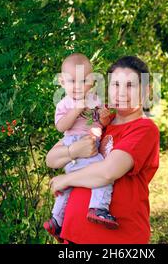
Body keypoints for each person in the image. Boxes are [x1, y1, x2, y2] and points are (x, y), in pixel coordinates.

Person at [47, 55, 160, 244]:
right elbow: (51, 159)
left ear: (146, 90)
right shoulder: (99, 118)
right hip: (74, 235)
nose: (121, 92)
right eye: (115, 84)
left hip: (118, 240)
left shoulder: (144, 129)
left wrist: (64, 180)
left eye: (130, 86)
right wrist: (74, 150)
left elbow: (108, 172)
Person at [43, 53, 118, 243]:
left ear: (92, 81)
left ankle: (56, 220)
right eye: (72, 81)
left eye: (83, 80)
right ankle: (99, 207)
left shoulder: (95, 100)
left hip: (90, 141)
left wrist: (104, 117)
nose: (77, 86)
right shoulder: (64, 103)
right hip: (74, 142)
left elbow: (100, 123)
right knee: (101, 173)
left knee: (68, 187)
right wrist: (76, 109)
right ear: (62, 82)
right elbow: (61, 127)